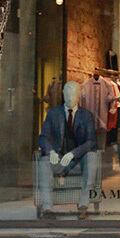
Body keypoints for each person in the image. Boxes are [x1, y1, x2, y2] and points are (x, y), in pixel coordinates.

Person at [36, 81, 99, 219]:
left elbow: (91, 141)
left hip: (78, 160)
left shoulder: (86, 115)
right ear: (63, 94)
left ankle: (83, 206)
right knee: (44, 161)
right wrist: (51, 151)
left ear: (79, 96)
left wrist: (73, 154)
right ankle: (47, 208)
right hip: (58, 159)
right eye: (67, 95)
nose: (70, 98)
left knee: (92, 157)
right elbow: (43, 137)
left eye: (73, 95)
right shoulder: (53, 113)